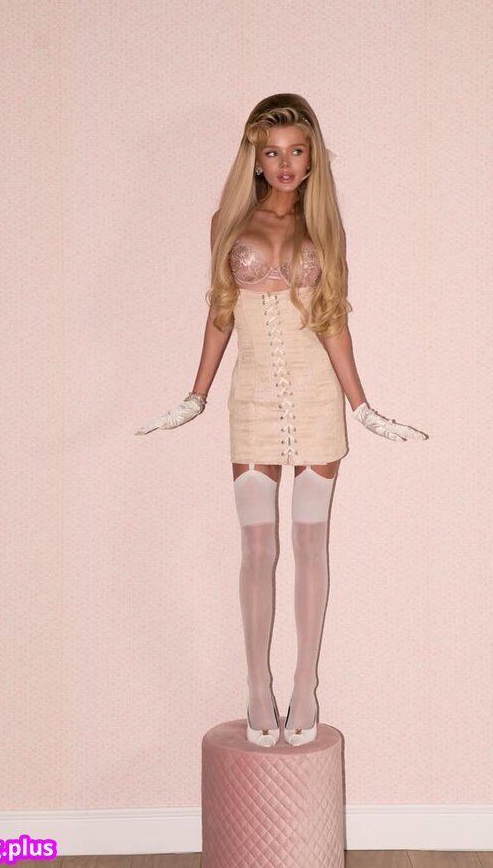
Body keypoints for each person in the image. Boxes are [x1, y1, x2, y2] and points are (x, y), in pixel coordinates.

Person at [136, 93, 428, 748]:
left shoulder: (324, 228)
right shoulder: (226, 222)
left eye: (297, 151)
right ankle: (256, 686)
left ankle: (304, 685)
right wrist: (195, 396)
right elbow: (219, 313)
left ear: (312, 157)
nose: (285, 163)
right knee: (257, 548)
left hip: (317, 399)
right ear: (255, 159)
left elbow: (332, 321)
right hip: (252, 399)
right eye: (272, 153)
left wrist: (362, 405)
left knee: (310, 545)